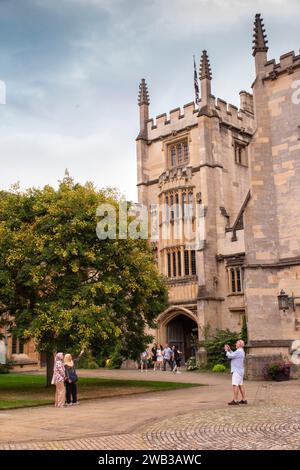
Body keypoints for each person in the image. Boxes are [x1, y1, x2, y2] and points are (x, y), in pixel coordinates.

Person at [224, 340, 247, 405]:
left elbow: (230, 356)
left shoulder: (239, 351)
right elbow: (234, 355)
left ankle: (235, 400)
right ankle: (244, 399)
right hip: (240, 370)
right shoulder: (241, 351)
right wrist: (230, 350)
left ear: (240, 344)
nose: (235, 344)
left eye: (236, 343)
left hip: (236, 370)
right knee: (240, 385)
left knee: (235, 385)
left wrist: (226, 351)